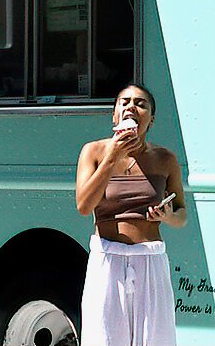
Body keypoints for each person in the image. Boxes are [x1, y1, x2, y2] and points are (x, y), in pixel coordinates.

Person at [76, 84, 187, 346]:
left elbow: (181, 214)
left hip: (150, 259)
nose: (131, 107)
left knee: (155, 339)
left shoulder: (165, 159)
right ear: (115, 115)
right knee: (104, 338)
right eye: (124, 102)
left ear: (151, 119)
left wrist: (167, 216)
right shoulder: (93, 152)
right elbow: (84, 205)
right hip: (108, 258)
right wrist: (112, 158)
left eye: (141, 103)